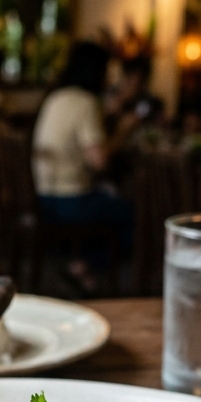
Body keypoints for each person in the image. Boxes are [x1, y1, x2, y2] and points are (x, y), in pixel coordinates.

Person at [31, 41, 136, 293]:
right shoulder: (86, 102)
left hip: (42, 198)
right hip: (68, 203)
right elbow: (99, 161)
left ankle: (82, 267)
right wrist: (123, 131)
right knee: (133, 214)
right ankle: (85, 267)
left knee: (108, 201)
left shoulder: (56, 97)